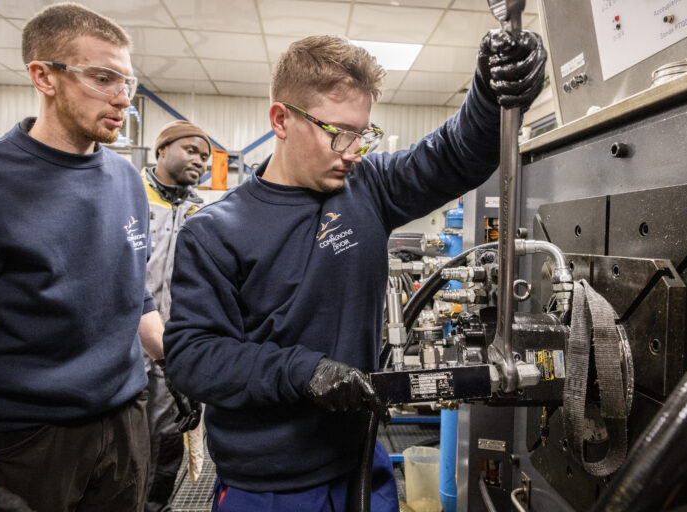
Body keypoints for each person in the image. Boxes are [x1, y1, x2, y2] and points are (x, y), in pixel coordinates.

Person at [163, 32, 546, 511]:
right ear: (281, 119)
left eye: (362, 134)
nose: (352, 151)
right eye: (338, 132)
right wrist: (304, 371)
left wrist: (490, 93)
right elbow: (194, 356)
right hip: (270, 487)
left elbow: (453, 155)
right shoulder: (215, 231)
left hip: (362, 463)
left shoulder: (366, 187)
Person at [0, 3, 163, 511]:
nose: (124, 99)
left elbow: (135, 292)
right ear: (44, 76)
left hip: (125, 421)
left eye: (128, 81)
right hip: (26, 439)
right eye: (104, 78)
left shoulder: (126, 180)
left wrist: (190, 359)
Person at [142, 120, 211, 511]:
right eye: (190, 150)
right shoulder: (130, 196)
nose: (198, 161)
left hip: (172, 347)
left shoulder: (201, 211)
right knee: (122, 440)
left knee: (168, 440)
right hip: (125, 345)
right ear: (162, 150)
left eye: (204, 156)